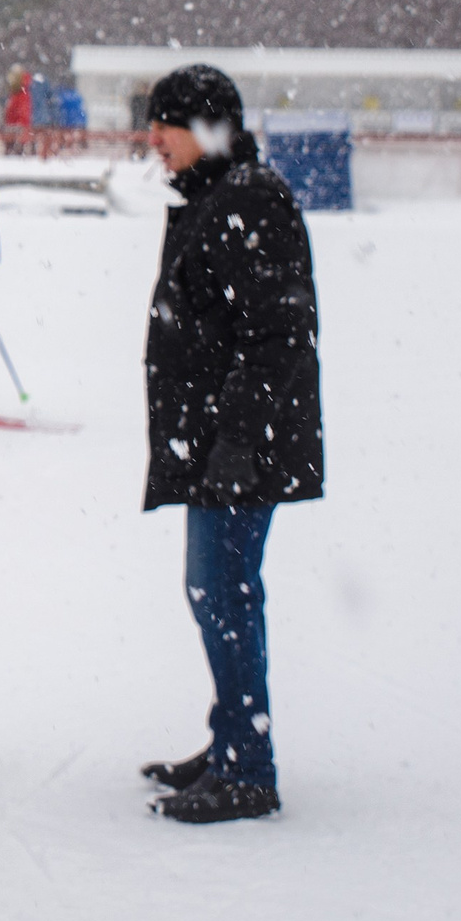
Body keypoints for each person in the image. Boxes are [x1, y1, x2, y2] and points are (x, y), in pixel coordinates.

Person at [138, 65, 322, 825]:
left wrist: (240, 442)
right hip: (220, 441)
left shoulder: (248, 200)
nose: (153, 141)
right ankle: (231, 744)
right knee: (215, 591)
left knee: (225, 593)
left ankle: (249, 766)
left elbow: (276, 333)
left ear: (207, 128)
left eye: (166, 125)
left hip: (242, 444)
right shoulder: (216, 196)